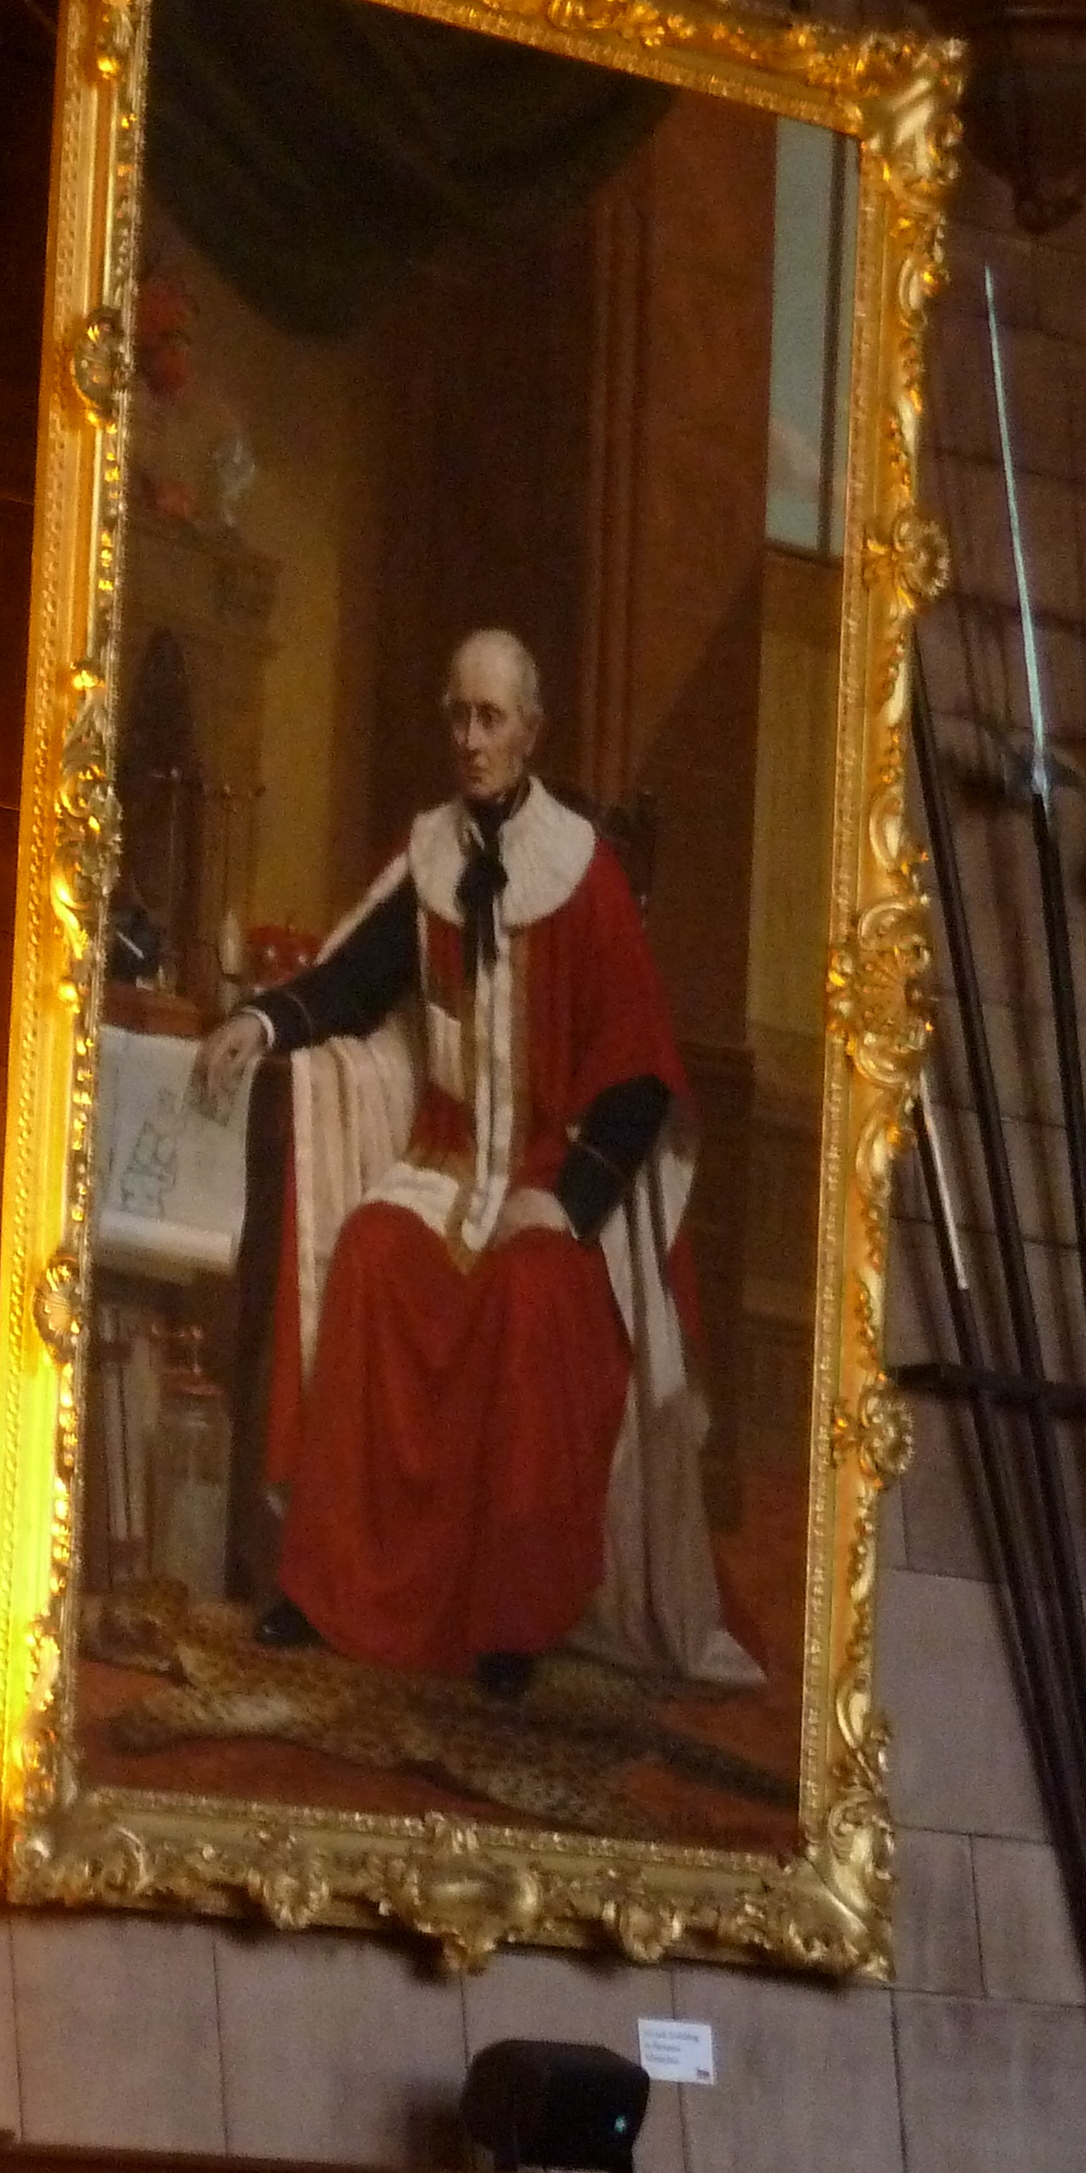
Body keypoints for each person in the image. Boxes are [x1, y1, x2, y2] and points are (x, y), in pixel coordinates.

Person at [190, 629, 757, 1697]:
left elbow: (640, 1080)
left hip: (550, 1179)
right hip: (444, 1169)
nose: (470, 738)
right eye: (457, 716)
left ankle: (507, 1624)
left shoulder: (581, 877)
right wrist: (259, 1028)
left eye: (491, 718)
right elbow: (351, 983)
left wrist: (566, 1202)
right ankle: (327, 1592)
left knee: (535, 1298)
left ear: (529, 733)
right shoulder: (430, 858)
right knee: (369, 1257)